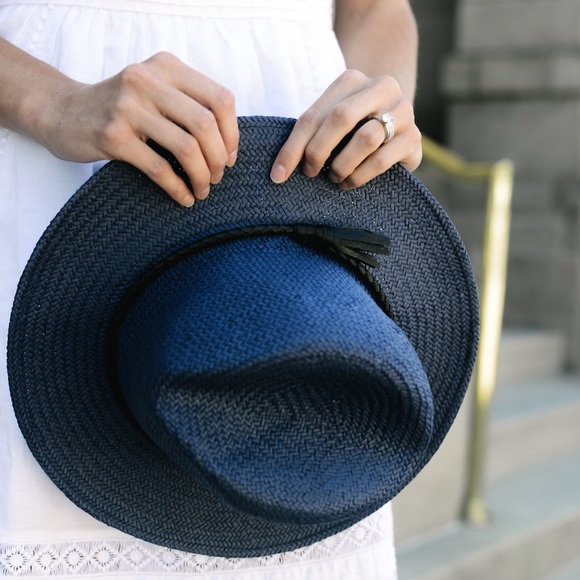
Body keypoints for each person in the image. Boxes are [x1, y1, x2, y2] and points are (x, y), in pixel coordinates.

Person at [0, 0, 422, 577]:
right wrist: (50, 101)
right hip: (58, 140)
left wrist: (377, 112)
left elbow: (377, 9)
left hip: (304, 163)